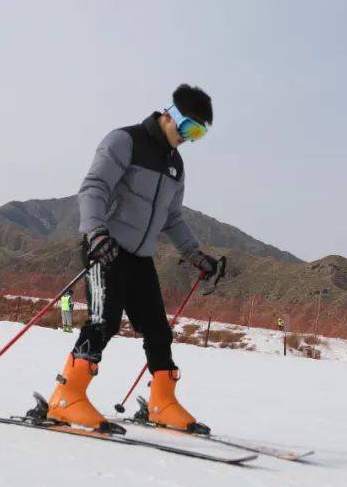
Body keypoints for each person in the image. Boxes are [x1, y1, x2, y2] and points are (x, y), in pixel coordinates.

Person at [42, 84, 221, 434]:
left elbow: (172, 217)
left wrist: (195, 254)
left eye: (198, 134)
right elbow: (94, 187)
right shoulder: (125, 141)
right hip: (106, 248)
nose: (190, 139)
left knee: (158, 329)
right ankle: (66, 397)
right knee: (103, 322)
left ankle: (162, 402)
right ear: (170, 114)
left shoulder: (175, 165)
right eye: (188, 128)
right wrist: (95, 232)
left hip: (141, 257)